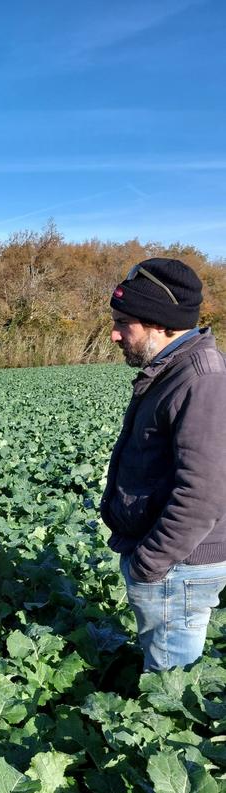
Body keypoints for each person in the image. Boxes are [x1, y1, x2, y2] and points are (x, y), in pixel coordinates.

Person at [100, 257, 226, 672]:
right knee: (162, 663)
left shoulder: (200, 380)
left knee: (167, 686)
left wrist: (151, 562)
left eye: (124, 323)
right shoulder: (173, 370)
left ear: (161, 324)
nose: (115, 335)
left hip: (178, 565)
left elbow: (203, 493)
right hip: (169, 562)